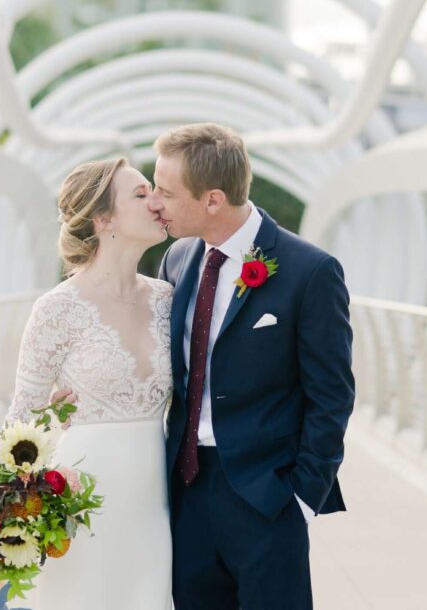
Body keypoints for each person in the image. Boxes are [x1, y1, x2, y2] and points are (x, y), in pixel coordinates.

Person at [149, 122, 355, 610]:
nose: (155, 202)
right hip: (187, 488)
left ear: (213, 199)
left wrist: (302, 499)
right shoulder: (177, 259)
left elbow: (333, 395)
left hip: (269, 496)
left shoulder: (311, 271)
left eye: (165, 191)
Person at [5, 157, 174, 609]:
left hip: (156, 497)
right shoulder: (57, 309)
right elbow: (20, 421)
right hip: (79, 500)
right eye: (140, 194)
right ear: (104, 219)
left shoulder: (168, 299)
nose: (156, 201)